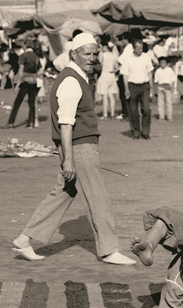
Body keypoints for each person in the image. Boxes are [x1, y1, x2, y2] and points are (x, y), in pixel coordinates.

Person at [11, 33, 136, 266]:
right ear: (74, 54)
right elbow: (65, 123)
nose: (91, 58)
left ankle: (24, 239)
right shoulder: (70, 80)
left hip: (78, 147)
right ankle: (109, 250)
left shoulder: (77, 77)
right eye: (86, 54)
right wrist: (69, 159)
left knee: (63, 193)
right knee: (98, 198)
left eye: (94, 53)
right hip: (79, 148)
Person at [1, 40, 41, 129]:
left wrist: (18, 81)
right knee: (32, 103)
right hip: (33, 81)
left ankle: (11, 122)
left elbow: (21, 69)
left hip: (25, 81)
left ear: (26, 47)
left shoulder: (23, 56)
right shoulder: (36, 57)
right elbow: (40, 69)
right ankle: (31, 123)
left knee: (17, 102)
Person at [122, 40, 154, 139]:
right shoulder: (128, 59)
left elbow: (149, 72)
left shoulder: (146, 57)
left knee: (146, 109)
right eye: (139, 48)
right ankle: (136, 131)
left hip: (144, 86)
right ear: (134, 49)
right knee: (133, 110)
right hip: (132, 86)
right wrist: (126, 88)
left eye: (142, 48)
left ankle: (145, 132)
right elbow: (125, 75)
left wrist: (151, 87)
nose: (141, 50)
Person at [96, 39, 119, 120]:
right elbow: (117, 66)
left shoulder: (103, 54)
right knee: (111, 95)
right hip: (112, 75)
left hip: (105, 74)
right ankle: (112, 114)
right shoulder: (114, 55)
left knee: (105, 95)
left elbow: (99, 61)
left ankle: (105, 115)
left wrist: (100, 51)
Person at [116, 32, 134, 120]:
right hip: (128, 73)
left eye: (122, 39)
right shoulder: (130, 47)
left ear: (126, 39)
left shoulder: (128, 47)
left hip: (125, 74)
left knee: (124, 94)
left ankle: (126, 113)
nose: (121, 41)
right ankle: (127, 113)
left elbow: (121, 60)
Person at [154, 57, 176, 121]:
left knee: (168, 103)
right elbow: (156, 80)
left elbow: (173, 77)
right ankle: (161, 117)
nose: (163, 64)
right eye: (161, 63)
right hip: (160, 87)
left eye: (164, 63)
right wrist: (158, 82)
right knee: (160, 103)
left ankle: (169, 117)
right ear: (159, 63)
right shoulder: (158, 71)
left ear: (166, 63)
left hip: (167, 87)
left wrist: (170, 84)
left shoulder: (169, 70)